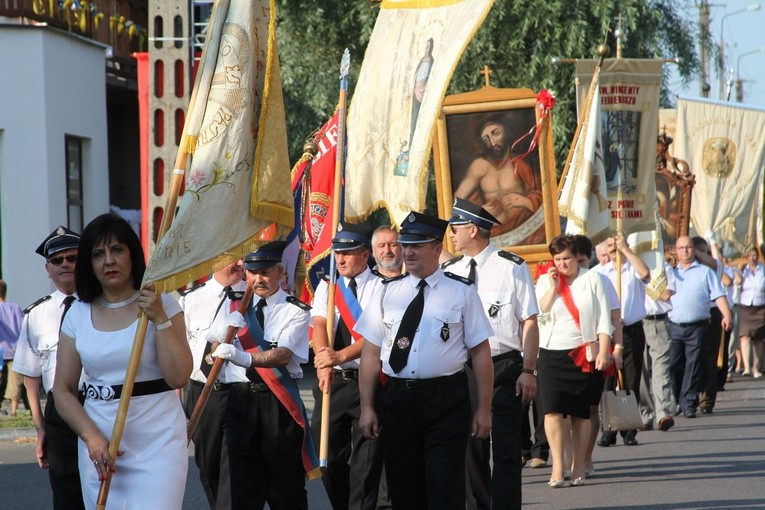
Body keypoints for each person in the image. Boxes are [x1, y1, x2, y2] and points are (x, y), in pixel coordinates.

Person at [52, 213, 192, 509]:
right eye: (98, 254)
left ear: (132, 253)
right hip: (101, 444)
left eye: (117, 250)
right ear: (89, 264)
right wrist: (91, 438)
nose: (109, 261)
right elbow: (63, 390)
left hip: (159, 440)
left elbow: (179, 376)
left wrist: (160, 319)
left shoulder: (161, 303)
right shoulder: (77, 313)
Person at [356, 211, 494, 509]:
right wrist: (367, 406)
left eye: (416, 245)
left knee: (444, 487)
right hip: (397, 399)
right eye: (405, 244)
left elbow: (481, 353)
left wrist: (484, 409)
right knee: (404, 488)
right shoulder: (386, 292)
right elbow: (370, 353)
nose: (407, 251)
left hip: (445, 398)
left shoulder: (461, 292)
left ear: (436, 248)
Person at [444, 197, 538, 509]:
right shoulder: (450, 271)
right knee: (473, 449)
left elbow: (529, 322)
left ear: (473, 230)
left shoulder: (511, 267)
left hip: (504, 367)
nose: (451, 235)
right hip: (466, 370)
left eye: (455, 229)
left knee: (507, 450)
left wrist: (529, 370)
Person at [209, 241, 319, 509]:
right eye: (252, 272)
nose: (258, 279)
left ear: (280, 271)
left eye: (266, 272)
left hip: (277, 402)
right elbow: (213, 345)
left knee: (286, 489)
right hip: (240, 400)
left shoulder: (296, 310)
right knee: (243, 488)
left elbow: (282, 355)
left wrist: (244, 357)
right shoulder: (232, 305)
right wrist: (217, 349)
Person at [311, 222, 385, 510]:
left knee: (366, 463)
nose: (339, 259)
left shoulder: (382, 287)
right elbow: (319, 325)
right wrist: (323, 358)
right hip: (334, 382)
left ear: (365, 255)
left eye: (348, 253)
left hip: (369, 382)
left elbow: (374, 337)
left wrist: (339, 356)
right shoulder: (328, 288)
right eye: (337, 253)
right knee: (327, 457)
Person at [12, 226, 85, 509]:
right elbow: (30, 375)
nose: (65, 264)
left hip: (100, 400)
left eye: (72, 257)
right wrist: (40, 426)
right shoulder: (36, 314)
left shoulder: (102, 305)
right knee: (67, 491)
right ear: (48, 269)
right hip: (60, 409)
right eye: (58, 260)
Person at [535, 235, 612, 487]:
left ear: (575, 256)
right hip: (550, 353)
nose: (562, 263)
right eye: (557, 259)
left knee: (581, 414)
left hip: (582, 352)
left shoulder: (592, 278)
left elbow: (603, 318)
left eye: (566, 258)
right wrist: (553, 288)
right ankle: (558, 465)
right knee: (552, 410)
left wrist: (604, 350)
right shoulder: (546, 278)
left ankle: (579, 463)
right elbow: (540, 310)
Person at [179, 259, 245, 510]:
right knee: (208, 466)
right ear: (216, 258)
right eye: (233, 257)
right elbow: (179, 352)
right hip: (202, 393)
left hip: (240, 393)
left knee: (235, 469)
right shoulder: (190, 299)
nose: (240, 263)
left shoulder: (253, 294)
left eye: (243, 257)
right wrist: (176, 404)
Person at [571, 235, 621, 476]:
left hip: (593, 351)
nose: (578, 266)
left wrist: (617, 349)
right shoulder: (560, 282)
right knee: (566, 411)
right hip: (565, 352)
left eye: (581, 260)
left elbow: (614, 318)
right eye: (574, 260)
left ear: (589, 258)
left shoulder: (600, 280)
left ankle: (586, 457)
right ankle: (572, 459)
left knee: (590, 408)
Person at [453, 114, 544, 244]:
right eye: (486, 139)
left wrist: (523, 201)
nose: (493, 142)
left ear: (506, 132)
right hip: (492, 234)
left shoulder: (520, 164)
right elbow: (456, 200)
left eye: (496, 133)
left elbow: (543, 196)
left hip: (524, 231)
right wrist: (478, 212)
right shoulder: (480, 166)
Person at [668, 235, 732, 418]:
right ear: (676, 251)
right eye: (681, 248)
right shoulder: (671, 272)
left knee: (693, 364)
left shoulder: (705, 272)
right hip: (675, 326)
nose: (685, 251)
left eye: (688, 247)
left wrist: (727, 314)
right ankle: (679, 396)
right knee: (673, 365)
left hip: (698, 326)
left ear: (694, 250)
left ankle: (688, 403)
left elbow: (719, 295)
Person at [595, 232, 650, 447]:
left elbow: (645, 273)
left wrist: (626, 250)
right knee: (607, 384)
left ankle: (628, 429)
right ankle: (609, 429)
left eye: (615, 245)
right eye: (609, 246)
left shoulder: (632, 269)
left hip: (631, 331)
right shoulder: (600, 272)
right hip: (607, 332)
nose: (613, 250)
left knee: (630, 381)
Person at [639, 261, 677, 432]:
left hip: (658, 321)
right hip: (637, 322)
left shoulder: (663, 267)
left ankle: (663, 414)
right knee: (641, 371)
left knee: (661, 368)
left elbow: (665, 294)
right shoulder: (629, 268)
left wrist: (645, 279)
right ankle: (645, 416)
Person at [736, 248, 765, 379]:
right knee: (745, 336)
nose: (752, 258)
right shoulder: (743, 270)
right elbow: (737, 285)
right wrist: (739, 273)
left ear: (757, 257)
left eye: (754, 255)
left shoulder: (762, 270)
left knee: (759, 338)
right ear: (746, 257)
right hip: (745, 306)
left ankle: (756, 368)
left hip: (760, 307)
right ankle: (747, 367)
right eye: (749, 256)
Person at [0, 280, 25, 416]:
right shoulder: (15, 307)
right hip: (15, 350)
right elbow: (24, 327)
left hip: (0, 350)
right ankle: (14, 411)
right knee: (15, 382)